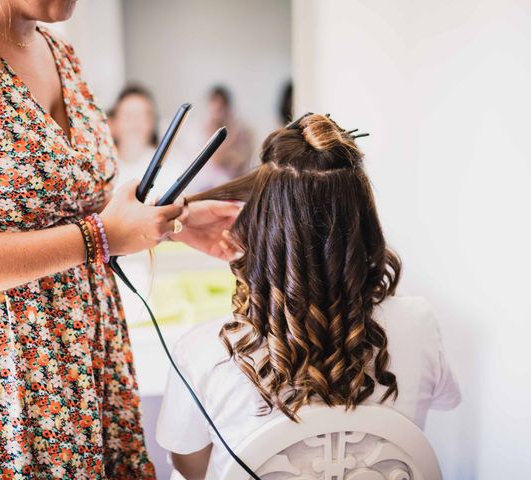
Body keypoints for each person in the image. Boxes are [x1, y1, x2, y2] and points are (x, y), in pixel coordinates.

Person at [0, 1, 240, 478]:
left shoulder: (61, 52)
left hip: (91, 353)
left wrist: (174, 221)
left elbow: (78, 205)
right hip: (0, 377)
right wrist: (100, 238)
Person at [156, 114, 461, 479]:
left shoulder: (204, 351)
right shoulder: (418, 324)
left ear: (260, 227)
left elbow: (189, 468)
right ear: (363, 222)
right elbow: (444, 400)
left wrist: (168, 224)